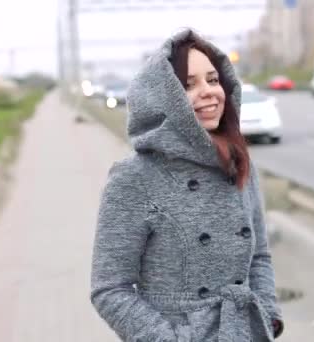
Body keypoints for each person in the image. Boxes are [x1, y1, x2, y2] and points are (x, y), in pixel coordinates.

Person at [90, 28, 284, 341]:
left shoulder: (239, 163)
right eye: (189, 85)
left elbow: (259, 256)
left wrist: (269, 317)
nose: (209, 91)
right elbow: (110, 289)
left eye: (213, 79)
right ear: (164, 98)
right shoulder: (135, 178)